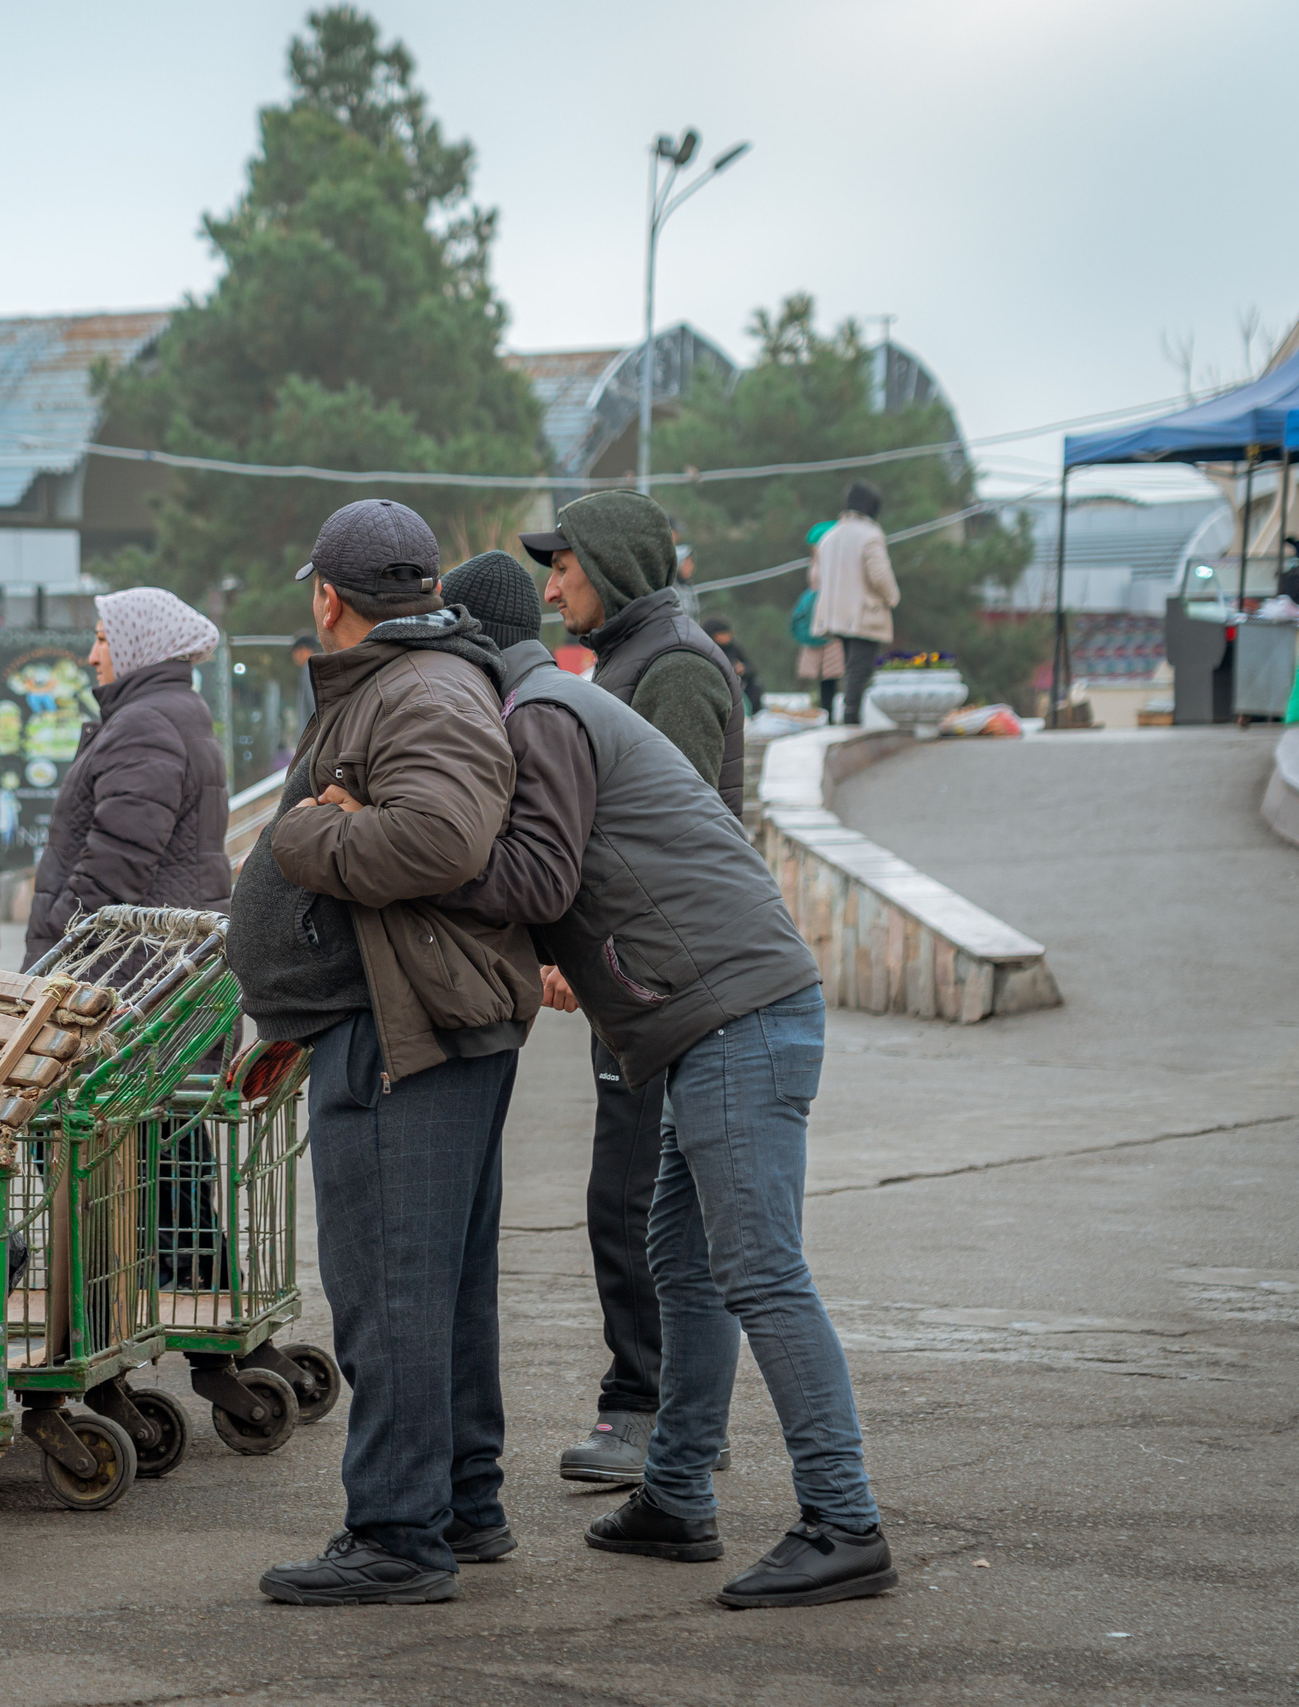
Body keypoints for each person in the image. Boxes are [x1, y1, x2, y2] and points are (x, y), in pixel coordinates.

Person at [436, 548, 896, 1610]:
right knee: (682, 1260)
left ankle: (844, 1519)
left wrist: (391, 847)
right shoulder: (551, 702)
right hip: (715, 1014)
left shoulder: (541, 712)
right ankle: (677, 1495)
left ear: (465, 650)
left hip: (734, 1012)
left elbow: (538, 875)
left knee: (758, 1268)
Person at [233, 500, 537, 1606]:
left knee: (392, 1292)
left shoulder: (420, 690)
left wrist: (304, 834)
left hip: (400, 1034)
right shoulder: (410, 683)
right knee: (435, 1289)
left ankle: (398, 1537)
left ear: (328, 594)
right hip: (391, 1024)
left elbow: (438, 839)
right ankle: (461, 1504)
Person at [522, 491, 754, 1485]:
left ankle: (654, 1418)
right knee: (630, 1207)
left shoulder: (671, 670)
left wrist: (590, 954)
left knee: (639, 1210)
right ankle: (655, 1413)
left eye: (563, 565)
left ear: (610, 565)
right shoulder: (628, 662)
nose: (549, 585)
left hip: (668, 993)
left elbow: (668, 852)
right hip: (639, 988)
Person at [22, 588, 232, 965]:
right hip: (150, 959)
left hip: (123, 971)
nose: (92, 656)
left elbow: (115, 864)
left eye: (103, 639)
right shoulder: (171, 711)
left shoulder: (145, 723)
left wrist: (57, 941)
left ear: (140, 642)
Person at [809, 481, 899, 726]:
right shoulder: (871, 535)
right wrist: (892, 596)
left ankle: (847, 715)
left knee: (850, 665)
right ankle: (851, 718)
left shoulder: (829, 536)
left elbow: (816, 578)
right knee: (859, 668)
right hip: (864, 611)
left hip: (837, 613)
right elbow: (879, 574)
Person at [795, 520, 846, 718]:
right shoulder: (818, 560)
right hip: (819, 623)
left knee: (830, 676)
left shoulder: (831, 562)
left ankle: (830, 714)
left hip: (830, 623)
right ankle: (824, 713)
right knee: (822, 676)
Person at [701, 614, 765, 714]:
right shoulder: (705, 649)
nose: (728, 636)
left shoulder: (733, 648)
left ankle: (756, 711)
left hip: (737, 683)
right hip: (718, 686)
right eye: (723, 633)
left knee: (754, 684)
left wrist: (743, 669)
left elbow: (751, 668)